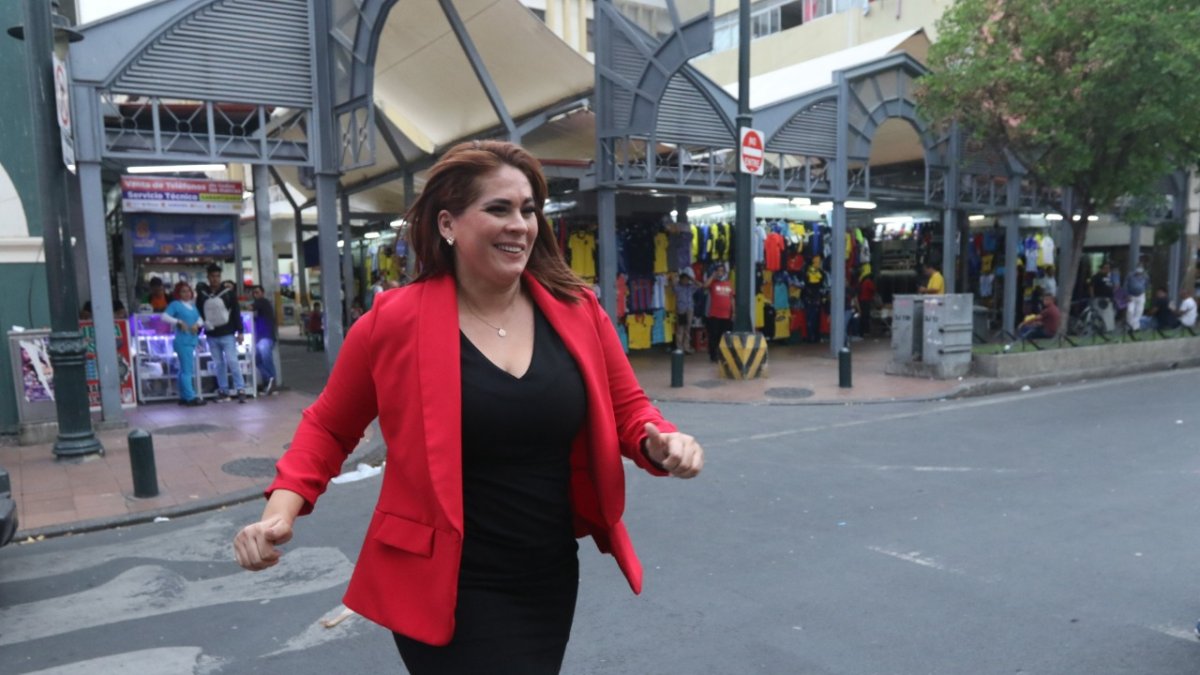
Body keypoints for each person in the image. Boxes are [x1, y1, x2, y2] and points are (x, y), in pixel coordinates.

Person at [232, 140, 704, 674]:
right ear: (449, 225)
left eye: (528, 209)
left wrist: (657, 439)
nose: (520, 225)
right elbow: (328, 427)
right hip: (443, 582)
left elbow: (627, 407)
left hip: (545, 574)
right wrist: (279, 515)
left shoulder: (577, 310)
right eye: (498, 209)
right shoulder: (394, 322)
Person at [197, 264, 247, 403]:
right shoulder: (202, 295)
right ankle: (223, 390)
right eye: (212, 276)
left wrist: (240, 331)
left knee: (232, 361)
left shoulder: (229, 293)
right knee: (218, 363)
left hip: (228, 333)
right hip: (211, 334)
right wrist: (199, 332)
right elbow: (199, 313)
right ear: (208, 277)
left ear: (220, 277)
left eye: (217, 276)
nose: (215, 279)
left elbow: (236, 312)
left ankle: (240, 389)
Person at [161, 281, 205, 406]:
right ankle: (190, 397)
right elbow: (164, 316)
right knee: (187, 370)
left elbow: (200, 319)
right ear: (178, 293)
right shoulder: (176, 304)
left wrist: (197, 324)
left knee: (184, 370)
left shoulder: (192, 306)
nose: (186, 293)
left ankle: (184, 395)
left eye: (188, 291)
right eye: (183, 291)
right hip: (183, 341)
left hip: (191, 340)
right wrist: (178, 321)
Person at [703, 262, 733, 362]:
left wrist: (734, 312)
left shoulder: (729, 283)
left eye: (722, 271)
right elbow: (705, 286)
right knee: (714, 335)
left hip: (726, 315)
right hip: (715, 314)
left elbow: (732, 298)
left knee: (723, 336)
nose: (720, 273)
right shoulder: (713, 282)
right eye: (718, 271)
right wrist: (713, 276)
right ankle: (713, 355)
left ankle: (722, 354)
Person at [250, 285, 276, 395]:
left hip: (266, 337)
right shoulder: (261, 306)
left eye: (257, 292)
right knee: (257, 360)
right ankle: (269, 380)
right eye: (254, 293)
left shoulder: (262, 302)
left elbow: (250, 308)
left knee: (266, 359)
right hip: (261, 338)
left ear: (262, 293)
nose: (255, 294)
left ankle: (271, 379)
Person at [672, 267, 698, 353]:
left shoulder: (690, 287)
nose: (685, 281)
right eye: (684, 279)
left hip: (689, 309)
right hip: (681, 309)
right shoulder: (678, 287)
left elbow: (699, 285)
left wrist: (692, 278)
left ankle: (686, 346)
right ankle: (679, 347)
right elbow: (673, 285)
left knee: (688, 329)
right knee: (680, 329)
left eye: (687, 279)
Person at [1089, 261, 1116, 333]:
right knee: (1100, 314)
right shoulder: (1096, 277)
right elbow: (1091, 287)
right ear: (1102, 268)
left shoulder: (1108, 277)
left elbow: (1111, 286)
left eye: (1109, 268)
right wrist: (1093, 297)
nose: (1108, 270)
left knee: (1109, 315)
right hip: (1099, 298)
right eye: (1106, 268)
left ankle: (1108, 329)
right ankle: (1100, 329)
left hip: (1108, 299)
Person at [1124, 263, 1149, 331]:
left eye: (1141, 267)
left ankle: (1135, 327)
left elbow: (1147, 285)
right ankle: (1130, 325)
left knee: (1139, 311)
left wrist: (1143, 291)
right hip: (1131, 296)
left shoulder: (1145, 276)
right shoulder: (1130, 275)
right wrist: (1127, 295)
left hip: (1141, 295)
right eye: (1138, 267)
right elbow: (1125, 285)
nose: (1139, 269)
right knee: (1130, 311)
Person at [857, 272, 876, 337]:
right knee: (866, 315)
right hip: (866, 300)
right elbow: (873, 289)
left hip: (862, 300)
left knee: (863, 315)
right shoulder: (869, 282)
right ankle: (866, 330)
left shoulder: (864, 282)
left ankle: (861, 331)